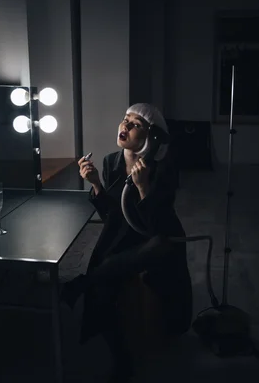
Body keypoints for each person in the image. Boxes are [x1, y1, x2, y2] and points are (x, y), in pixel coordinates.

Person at [61, 103, 193, 382]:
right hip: (124, 235)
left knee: (114, 267)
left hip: (157, 238)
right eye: (125, 120)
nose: (126, 126)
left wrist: (144, 187)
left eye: (136, 125)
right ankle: (122, 360)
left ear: (151, 137)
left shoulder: (163, 169)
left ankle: (81, 284)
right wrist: (96, 184)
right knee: (105, 283)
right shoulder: (111, 162)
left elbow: (157, 225)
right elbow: (112, 215)